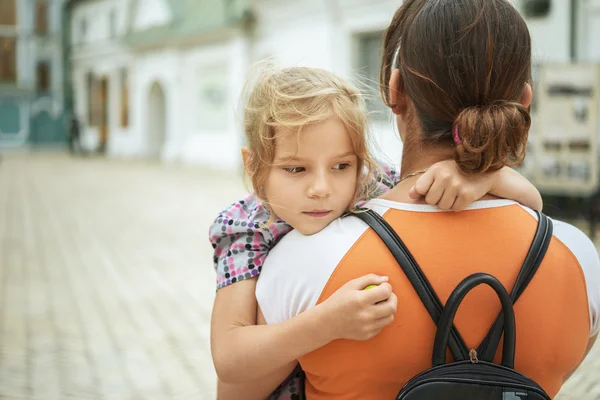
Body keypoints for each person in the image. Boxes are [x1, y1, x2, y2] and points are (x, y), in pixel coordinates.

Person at [253, 1, 600, 399]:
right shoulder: (579, 258)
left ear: (394, 90)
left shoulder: (303, 258)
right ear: (524, 101)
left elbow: (240, 389)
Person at [209, 65, 543, 399]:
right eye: (296, 169)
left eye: (341, 165)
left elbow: (534, 203)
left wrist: (484, 178)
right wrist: (326, 323)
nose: (322, 188)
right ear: (253, 168)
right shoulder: (247, 228)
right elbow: (229, 358)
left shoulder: (376, 185)